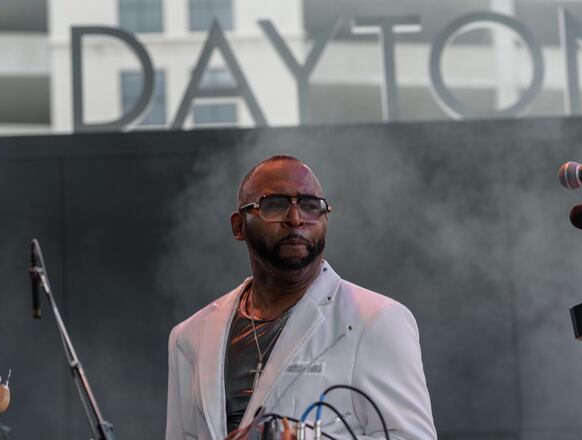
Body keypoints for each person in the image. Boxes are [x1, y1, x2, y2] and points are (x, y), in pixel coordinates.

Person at [165, 155, 436, 440]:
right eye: (274, 205)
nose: (295, 219)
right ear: (238, 226)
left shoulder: (377, 319)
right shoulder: (190, 335)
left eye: (310, 206)